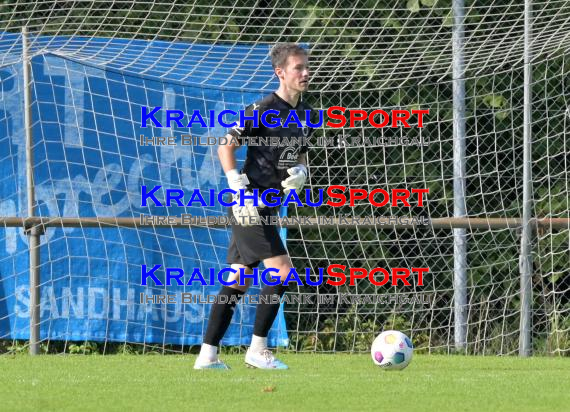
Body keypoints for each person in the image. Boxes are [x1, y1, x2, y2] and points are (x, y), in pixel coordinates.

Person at [194, 43, 313, 370]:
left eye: (306, 66)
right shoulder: (262, 108)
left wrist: (301, 171)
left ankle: (207, 355)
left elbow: (300, 153)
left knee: (237, 279)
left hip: (268, 208)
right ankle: (258, 350)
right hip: (250, 206)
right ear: (281, 73)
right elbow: (226, 145)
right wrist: (235, 181)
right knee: (283, 271)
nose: (305, 73)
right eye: (298, 68)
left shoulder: (303, 115)